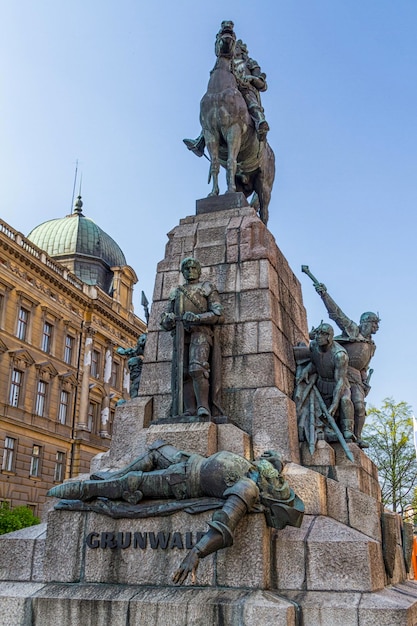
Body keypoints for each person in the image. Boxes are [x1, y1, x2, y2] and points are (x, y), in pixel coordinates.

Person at [48, 440, 304, 585]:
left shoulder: (248, 488)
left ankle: (89, 489)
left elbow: (224, 523)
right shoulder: (254, 469)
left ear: (271, 492)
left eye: (278, 480)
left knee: (130, 484)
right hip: (187, 460)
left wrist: (196, 552)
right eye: (276, 473)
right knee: (157, 449)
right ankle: (114, 476)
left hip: (180, 482)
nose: (275, 474)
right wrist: (277, 459)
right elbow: (274, 460)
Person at [314, 282, 379, 447]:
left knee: (360, 406)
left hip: (356, 377)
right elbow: (336, 313)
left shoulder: (371, 346)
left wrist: (365, 382)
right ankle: (347, 432)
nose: (376, 327)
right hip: (342, 370)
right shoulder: (352, 330)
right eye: (374, 323)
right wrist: (324, 295)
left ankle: (357, 437)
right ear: (365, 322)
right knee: (346, 401)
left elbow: (364, 366)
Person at [184, 35, 269, 158]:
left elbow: (262, 84)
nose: (234, 49)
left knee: (250, 102)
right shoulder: (228, 63)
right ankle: (201, 140)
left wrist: (250, 78)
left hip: (246, 89)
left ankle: (261, 123)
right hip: (230, 92)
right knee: (214, 108)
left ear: (241, 50)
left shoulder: (250, 62)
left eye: (237, 47)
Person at [160, 258, 223, 418]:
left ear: (199, 270)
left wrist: (197, 317)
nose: (190, 271)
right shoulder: (176, 292)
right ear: (183, 272)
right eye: (186, 269)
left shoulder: (207, 287)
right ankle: (190, 409)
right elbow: (166, 320)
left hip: (201, 332)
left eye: (193, 268)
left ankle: (203, 407)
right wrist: (168, 319)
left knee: (197, 368)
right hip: (181, 335)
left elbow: (217, 314)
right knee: (183, 373)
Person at [297, 323, 355, 441]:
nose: (318, 336)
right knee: (322, 412)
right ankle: (326, 430)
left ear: (329, 337)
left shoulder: (339, 355)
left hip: (339, 386)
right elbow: (315, 363)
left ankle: (347, 430)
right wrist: (306, 371)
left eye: (322, 334)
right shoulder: (313, 346)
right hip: (321, 383)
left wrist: (334, 404)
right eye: (317, 333)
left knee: (344, 401)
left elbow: (340, 381)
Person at [117, 333, 147, 399]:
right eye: (131, 367)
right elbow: (120, 351)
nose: (131, 369)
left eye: (133, 367)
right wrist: (122, 351)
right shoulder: (136, 351)